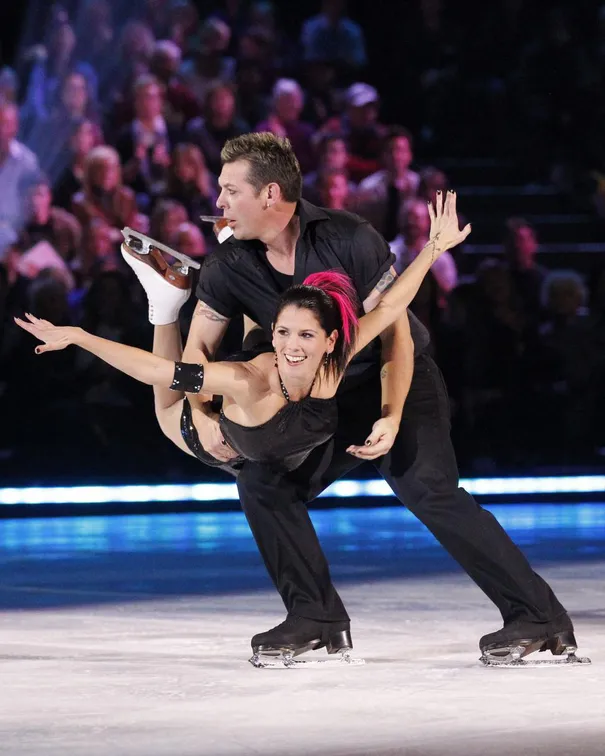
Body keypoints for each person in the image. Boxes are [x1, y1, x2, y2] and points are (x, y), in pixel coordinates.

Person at [178, 132, 579, 665]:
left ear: (270, 194)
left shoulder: (347, 238)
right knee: (262, 480)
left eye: (230, 190)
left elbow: (396, 333)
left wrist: (390, 415)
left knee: (429, 490)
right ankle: (315, 617)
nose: (220, 203)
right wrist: (200, 413)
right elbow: (196, 351)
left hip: (392, 379)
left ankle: (539, 616)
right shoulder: (229, 265)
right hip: (316, 400)